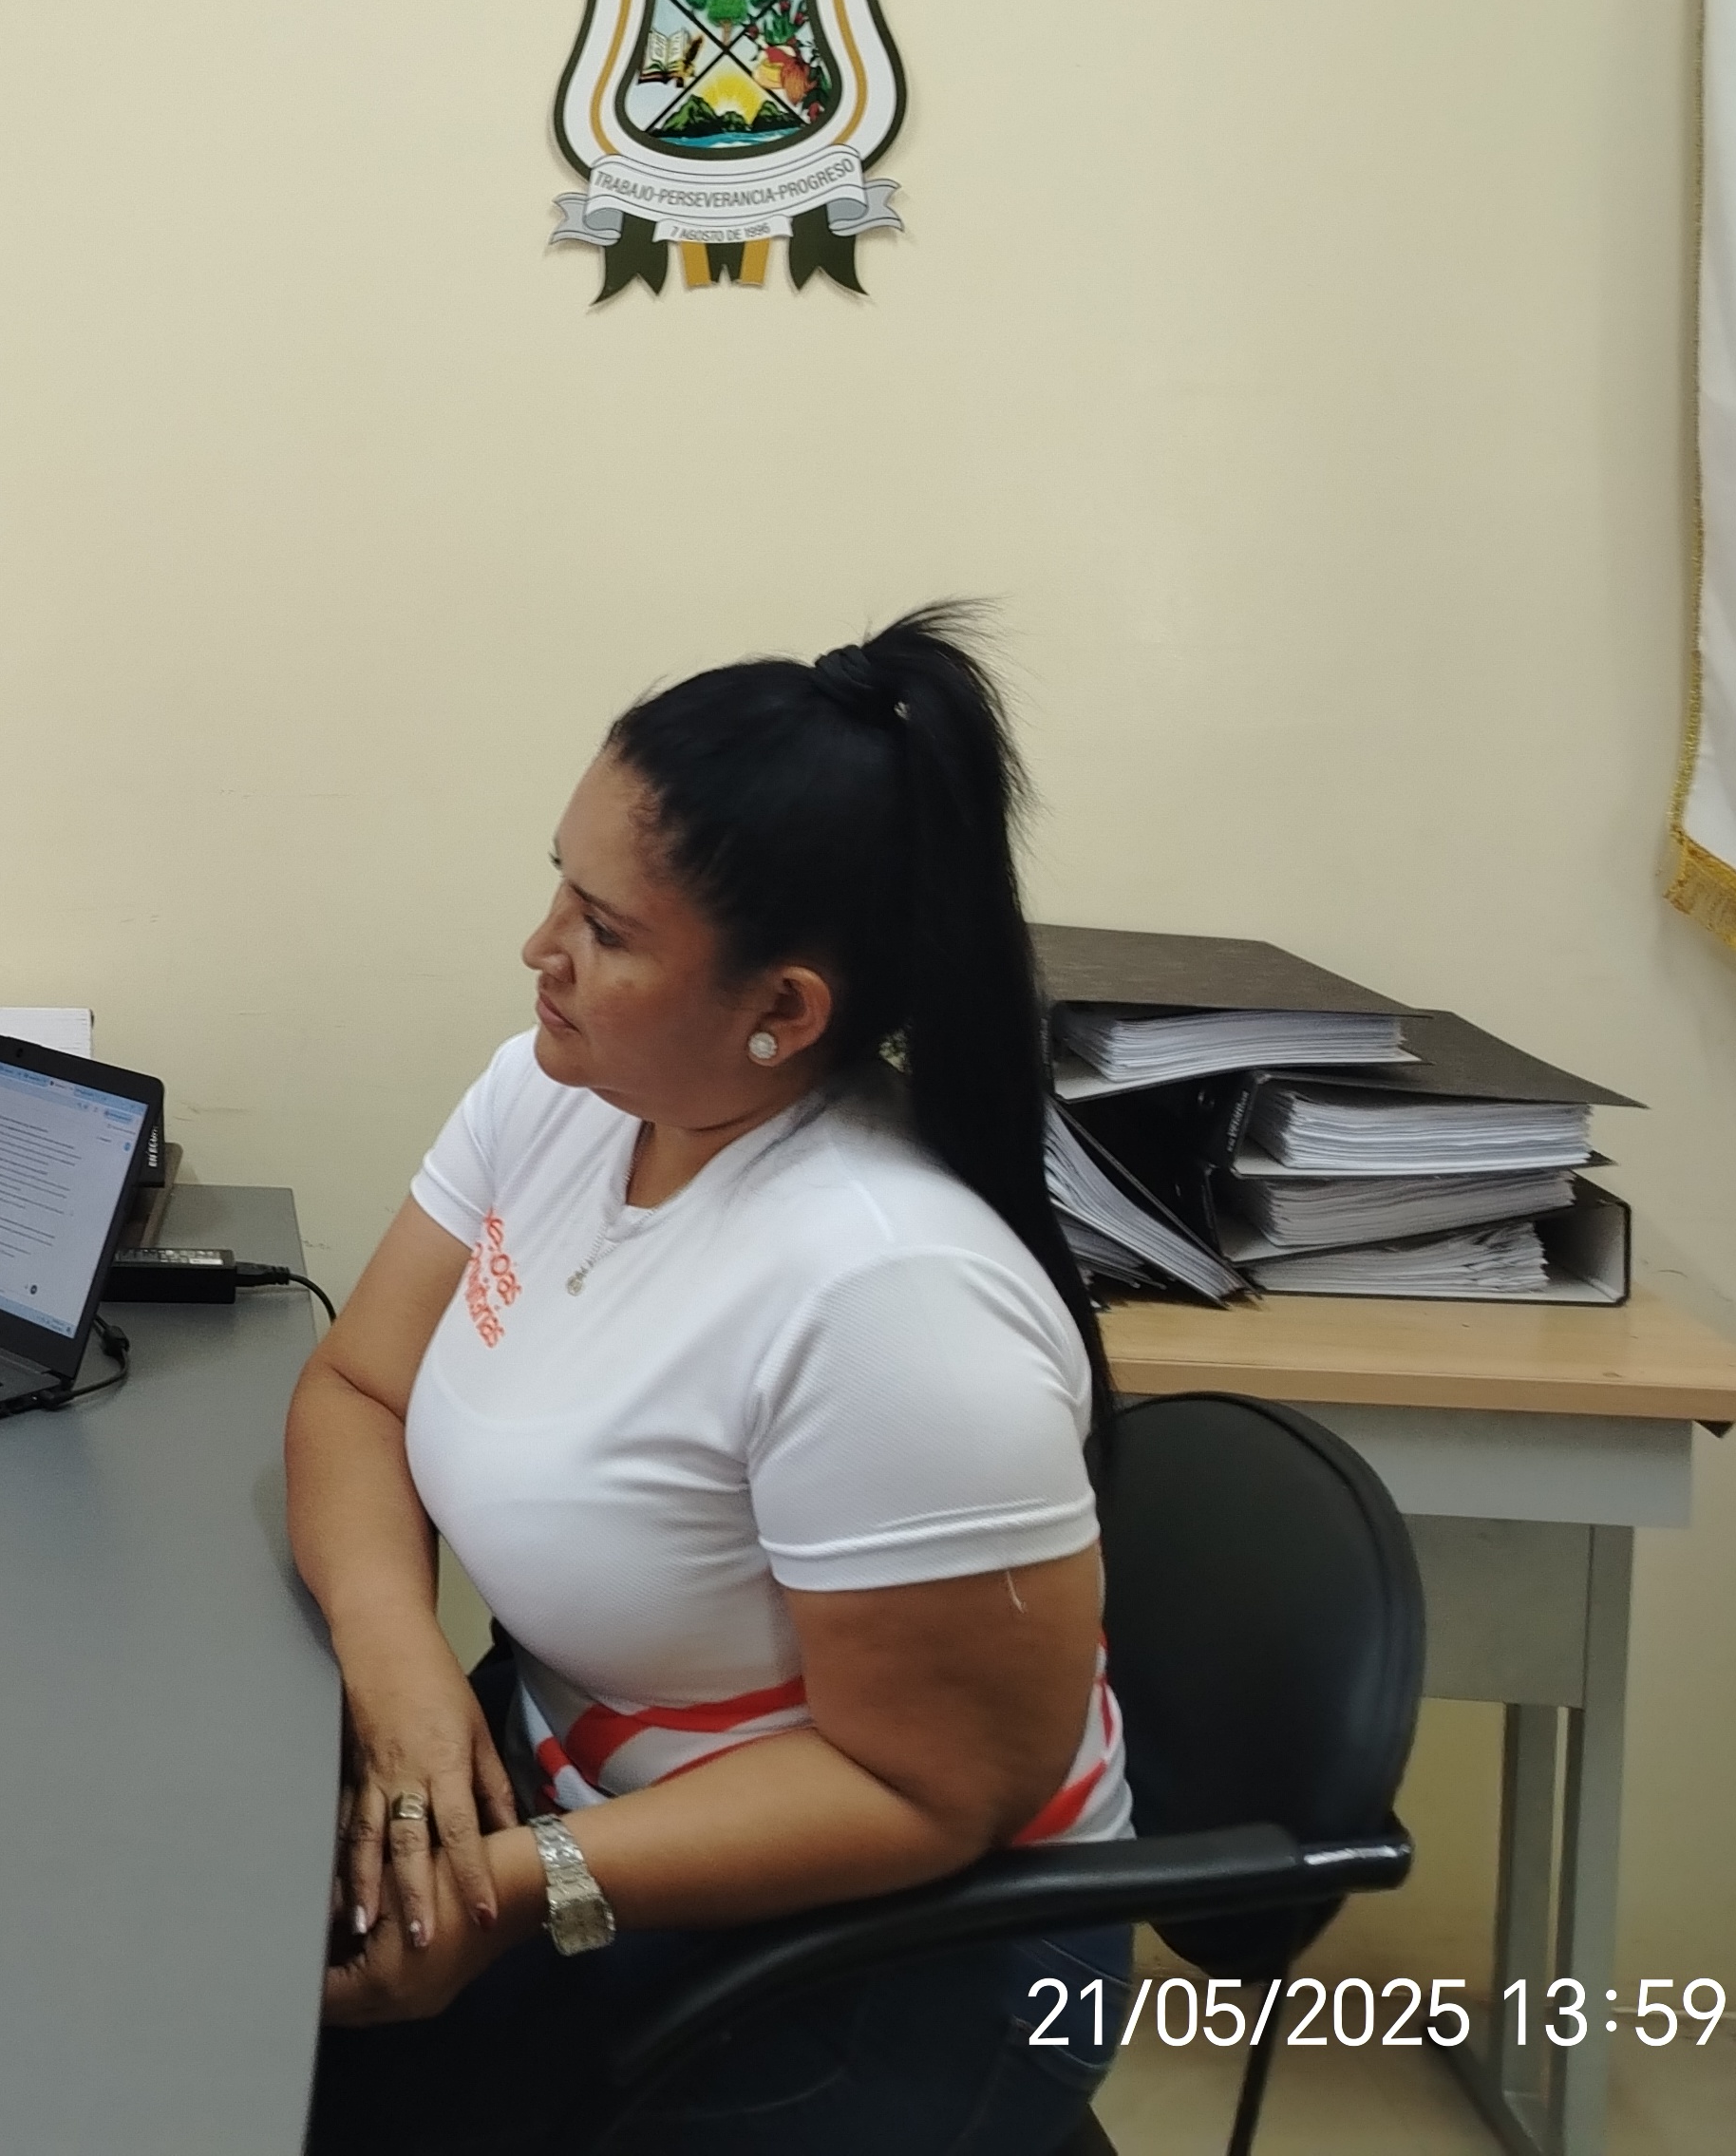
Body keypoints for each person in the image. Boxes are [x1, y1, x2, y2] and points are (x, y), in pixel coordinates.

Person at [291, 609, 1132, 2155]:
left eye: (607, 930)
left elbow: (923, 1792)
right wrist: (400, 1672)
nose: (540, 946)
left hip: (883, 1951)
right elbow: (358, 1390)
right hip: (582, 1808)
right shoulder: (556, 1093)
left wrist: (513, 1885)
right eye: (560, 881)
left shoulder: (889, 1295)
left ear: (784, 1010)